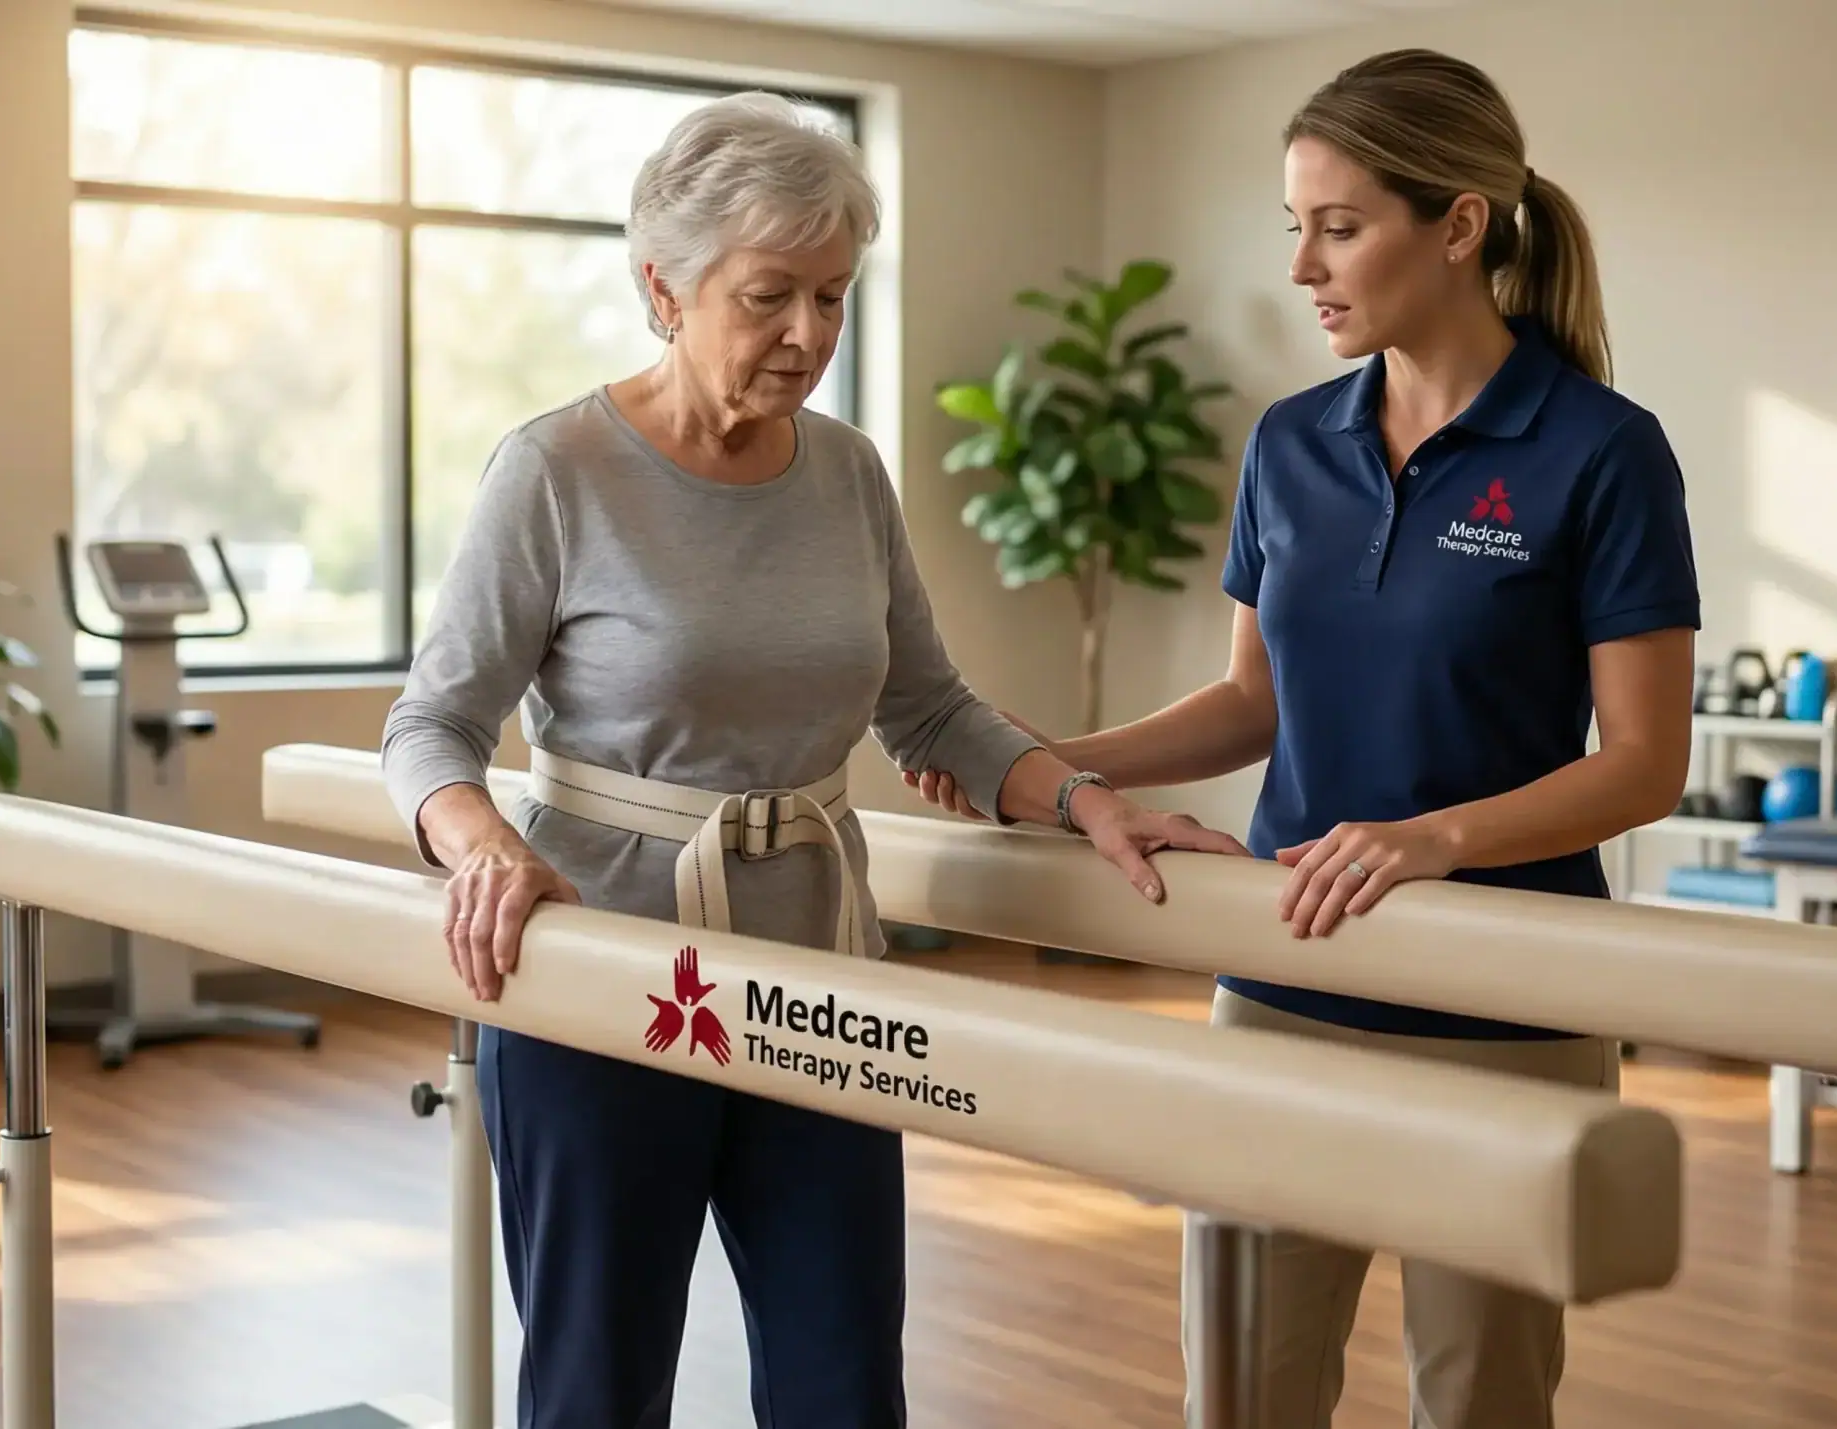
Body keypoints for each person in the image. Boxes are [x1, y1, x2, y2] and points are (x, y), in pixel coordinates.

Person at [382, 92, 1245, 1429]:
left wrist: (1085, 802)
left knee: (846, 1385)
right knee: (598, 1390)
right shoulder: (555, 472)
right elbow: (431, 725)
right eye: (770, 296)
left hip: (818, 980)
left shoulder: (846, 473)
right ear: (662, 288)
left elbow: (933, 710)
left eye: (834, 298)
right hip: (606, 979)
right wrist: (483, 843)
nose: (808, 337)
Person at [906, 47, 1698, 1429]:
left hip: (1503, 998)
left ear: (1457, 225)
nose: (1304, 267)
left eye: (1340, 227)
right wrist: (1051, 762)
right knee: (1247, 1390)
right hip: (1284, 977)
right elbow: (1250, 707)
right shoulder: (1290, 445)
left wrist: (1429, 839)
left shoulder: (1602, 452)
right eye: (1297, 229)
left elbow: (1644, 763)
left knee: (1482, 1403)